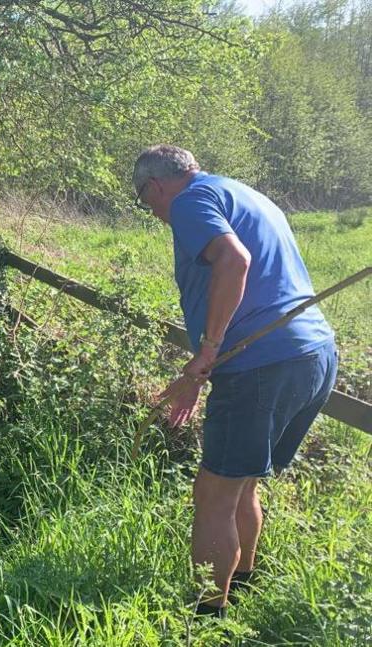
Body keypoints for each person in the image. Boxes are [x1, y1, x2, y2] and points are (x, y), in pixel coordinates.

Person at [132, 145, 338, 617]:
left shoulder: (188, 202)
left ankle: (207, 619)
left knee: (212, 495)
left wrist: (207, 351)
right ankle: (242, 590)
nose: (154, 212)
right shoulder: (242, 193)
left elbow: (235, 260)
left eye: (147, 202)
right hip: (313, 355)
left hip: (261, 365)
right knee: (241, 485)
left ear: (156, 186)